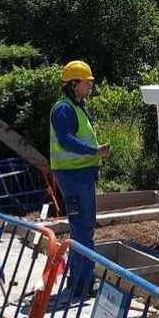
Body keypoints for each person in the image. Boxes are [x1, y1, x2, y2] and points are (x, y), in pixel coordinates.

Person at [49, 60, 110, 299]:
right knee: (82, 230)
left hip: (80, 175)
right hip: (73, 177)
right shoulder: (64, 109)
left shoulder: (75, 106)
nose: (90, 86)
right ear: (74, 83)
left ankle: (82, 282)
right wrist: (94, 152)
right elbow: (66, 140)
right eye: (87, 82)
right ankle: (82, 285)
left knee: (84, 229)